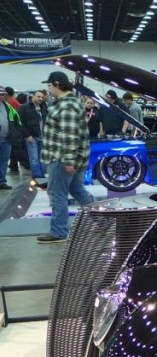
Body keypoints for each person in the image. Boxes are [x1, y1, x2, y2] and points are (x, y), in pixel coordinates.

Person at [37, 71, 93, 243]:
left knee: (57, 194)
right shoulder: (71, 102)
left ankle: (59, 231)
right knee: (77, 191)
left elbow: (69, 135)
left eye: (49, 85)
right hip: (71, 158)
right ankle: (103, 220)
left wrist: (68, 161)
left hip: (62, 158)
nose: (48, 89)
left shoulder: (66, 105)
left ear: (56, 84)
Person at [17, 89, 48, 181]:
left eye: (42, 97)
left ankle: (42, 175)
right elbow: (20, 123)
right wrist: (27, 135)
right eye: (38, 96)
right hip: (32, 137)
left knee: (42, 158)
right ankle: (37, 177)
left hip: (43, 136)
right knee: (34, 158)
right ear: (33, 96)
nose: (40, 99)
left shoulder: (44, 107)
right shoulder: (24, 107)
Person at [0, 87, 25, 189]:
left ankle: (1, 181)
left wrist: (15, 133)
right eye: (0, 94)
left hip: (6, 139)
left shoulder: (7, 106)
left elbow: (17, 120)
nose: (1, 96)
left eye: (2, 94)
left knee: (4, 161)